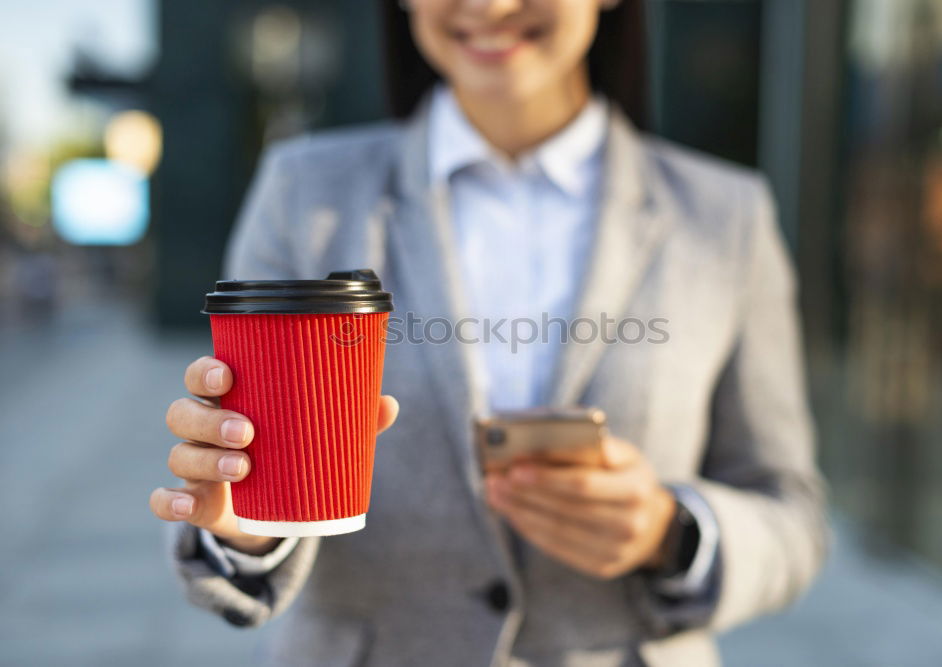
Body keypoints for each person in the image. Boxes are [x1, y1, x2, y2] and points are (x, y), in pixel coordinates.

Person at [149, 0, 828, 665]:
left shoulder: (725, 215)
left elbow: (791, 513)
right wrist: (247, 523)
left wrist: (670, 533)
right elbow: (252, 483)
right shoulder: (305, 192)